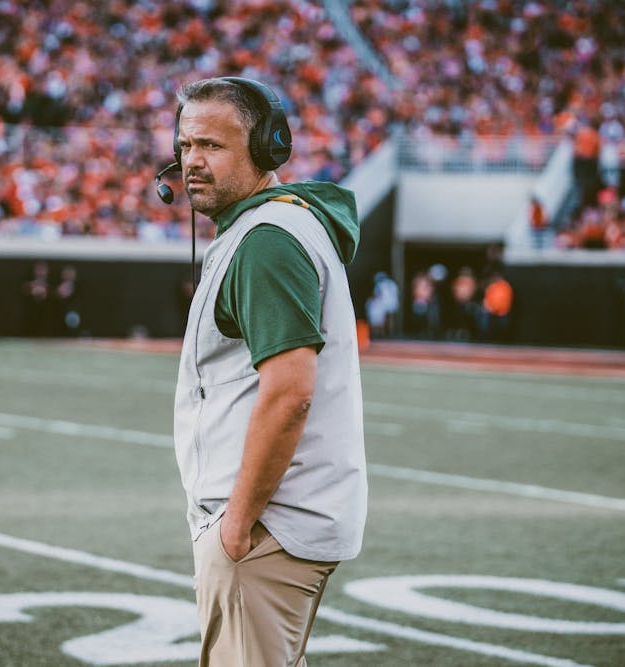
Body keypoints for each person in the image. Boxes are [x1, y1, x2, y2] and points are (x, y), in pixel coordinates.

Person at [170, 77, 367, 666]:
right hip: (275, 524)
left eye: (212, 145)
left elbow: (289, 394)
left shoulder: (266, 241)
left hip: (265, 529)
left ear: (266, 149)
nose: (191, 163)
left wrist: (238, 522)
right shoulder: (267, 230)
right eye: (184, 146)